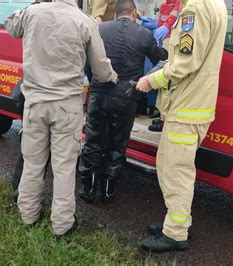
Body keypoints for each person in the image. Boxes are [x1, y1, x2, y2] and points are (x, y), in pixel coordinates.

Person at [4, 0, 117, 238]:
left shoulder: (32, 12)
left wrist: (32, 6)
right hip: (67, 106)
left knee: (33, 163)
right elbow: (100, 70)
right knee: (64, 168)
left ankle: (28, 215)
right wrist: (113, 76)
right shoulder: (85, 21)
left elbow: (10, 25)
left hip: (35, 104)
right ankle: (62, 225)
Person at [135, 0, 228, 252]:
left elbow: (185, 63)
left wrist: (151, 81)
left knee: (176, 172)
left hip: (187, 108)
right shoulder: (215, 4)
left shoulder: (194, 9)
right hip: (192, 106)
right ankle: (177, 221)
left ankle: (175, 234)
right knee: (169, 165)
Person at [78, 0, 168, 204]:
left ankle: (88, 189)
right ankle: (108, 191)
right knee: (117, 145)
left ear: (117, 14)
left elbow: (89, 63)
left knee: (93, 141)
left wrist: (95, 82)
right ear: (134, 13)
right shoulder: (144, 34)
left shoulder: (101, 29)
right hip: (127, 97)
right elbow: (160, 60)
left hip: (100, 93)